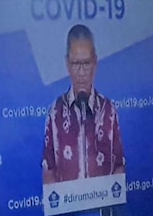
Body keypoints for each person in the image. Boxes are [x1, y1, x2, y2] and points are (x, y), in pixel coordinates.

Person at [42, 24, 125, 184]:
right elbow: (48, 171)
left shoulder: (109, 111)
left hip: (103, 206)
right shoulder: (55, 113)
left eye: (86, 63)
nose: (81, 73)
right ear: (67, 64)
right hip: (69, 208)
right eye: (75, 64)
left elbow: (119, 166)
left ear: (95, 63)